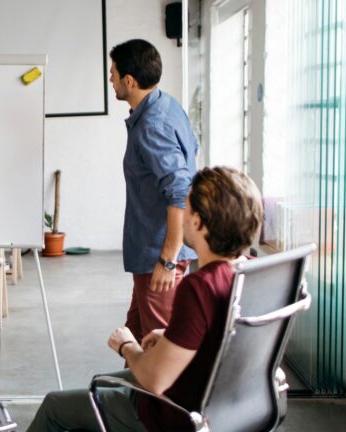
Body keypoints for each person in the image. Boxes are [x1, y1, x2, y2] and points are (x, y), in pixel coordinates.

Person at [27, 166, 264, 431]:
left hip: (170, 414)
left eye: (185, 208)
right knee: (103, 383)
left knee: (55, 406)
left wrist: (127, 346)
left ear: (197, 222)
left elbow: (155, 379)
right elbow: (222, 338)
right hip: (220, 406)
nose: (180, 216)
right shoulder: (251, 272)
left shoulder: (200, 286)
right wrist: (173, 336)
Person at [110, 39, 200, 343]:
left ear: (129, 81)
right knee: (133, 336)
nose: (110, 79)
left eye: (113, 73)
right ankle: (127, 391)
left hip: (157, 258)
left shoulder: (152, 125)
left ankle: (158, 393)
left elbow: (179, 189)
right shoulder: (167, 105)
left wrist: (167, 261)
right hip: (151, 255)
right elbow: (192, 150)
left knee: (160, 345)